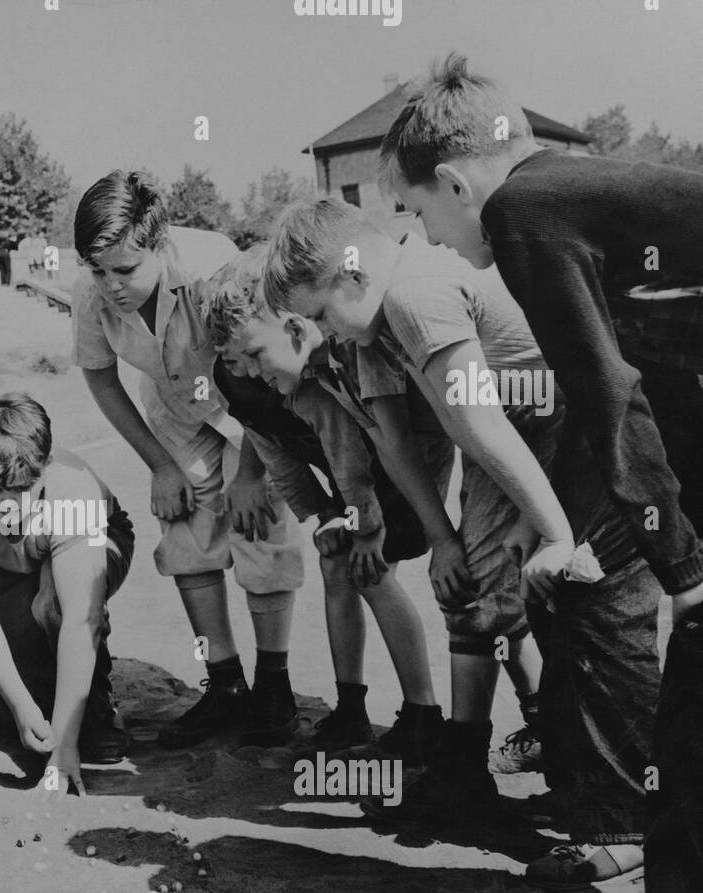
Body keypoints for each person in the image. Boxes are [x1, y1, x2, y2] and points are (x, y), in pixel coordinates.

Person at [376, 51, 703, 893]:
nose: (423, 234)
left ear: (459, 181)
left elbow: (611, 398)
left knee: (687, 736)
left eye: (419, 212)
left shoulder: (525, 215)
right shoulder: (593, 191)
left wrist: (683, 575)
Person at [264, 200, 583, 839]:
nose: (321, 330)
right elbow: (401, 441)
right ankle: (507, 771)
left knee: (491, 596)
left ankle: (496, 780)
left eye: (321, 313)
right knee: (484, 593)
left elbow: (483, 418)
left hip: (552, 424)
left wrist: (546, 524)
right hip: (516, 435)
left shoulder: (411, 293)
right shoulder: (377, 316)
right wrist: (446, 537)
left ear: (351, 276)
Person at [73, 170, 304, 750]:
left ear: (160, 242)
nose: (111, 285)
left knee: (260, 528)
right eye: (98, 271)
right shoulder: (91, 291)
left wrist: (252, 472)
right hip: (175, 406)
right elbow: (102, 381)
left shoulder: (211, 266)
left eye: (125, 270)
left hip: (246, 397)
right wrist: (160, 465)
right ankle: (225, 684)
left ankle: (274, 689)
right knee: (185, 530)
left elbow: (264, 382)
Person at [204, 245, 445, 763]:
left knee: (373, 572)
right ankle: (351, 708)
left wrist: (363, 523)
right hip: (350, 475)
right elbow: (275, 451)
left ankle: (424, 712)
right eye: (229, 359)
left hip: (392, 462)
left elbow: (348, 451)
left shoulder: (311, 374)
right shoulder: (248, 378)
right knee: (336, 569)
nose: (244, 371)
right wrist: (320, 514)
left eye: (250, 355)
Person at [0, 394, 134, 794]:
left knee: (56, 607)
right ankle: (11, 695)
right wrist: (21, 706)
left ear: (45, 469)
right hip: (10, 561)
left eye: (25, 489)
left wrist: (64, 746)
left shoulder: (71, 486)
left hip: (96, 539)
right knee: (19, 704)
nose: (12, 506)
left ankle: (96, 702)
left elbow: (83, 618)